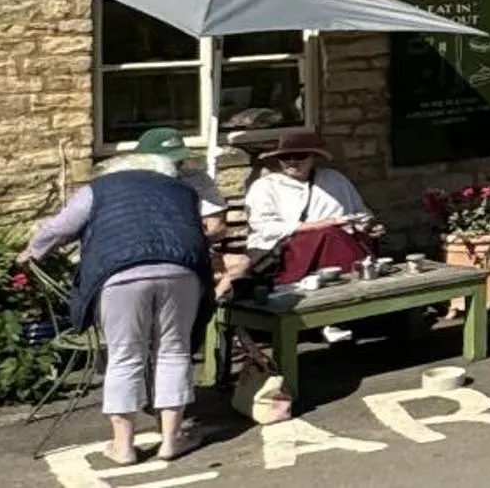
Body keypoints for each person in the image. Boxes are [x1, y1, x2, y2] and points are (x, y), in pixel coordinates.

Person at [26, 128, 215, 465]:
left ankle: (123, 446)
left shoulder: (99, 188)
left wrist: (32, 252)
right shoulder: (181, 190)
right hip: (181, 270)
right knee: (174, 351)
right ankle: (172, 440)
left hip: (121, 273)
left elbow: (58, 229)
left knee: (125, 355)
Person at [242, 129, 382, 283]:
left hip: (340, 243)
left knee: (337, 237)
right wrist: (317, 226)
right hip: (288, 251)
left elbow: (360, 212)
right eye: (285, 157)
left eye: (300, 156)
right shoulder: (265, 186)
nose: (292, 162)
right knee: (329, 234)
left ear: (312, 157)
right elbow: (264, 227)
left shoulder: (334, 179)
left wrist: (368, 226)